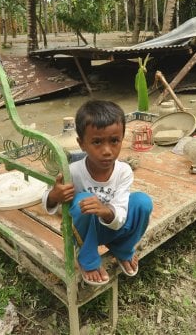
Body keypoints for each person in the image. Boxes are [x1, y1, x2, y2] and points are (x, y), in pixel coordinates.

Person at [42, 100, 153, 286]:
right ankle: (88, 259)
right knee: (82, 201)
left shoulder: (124, 171)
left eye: (114, 141)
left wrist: (105, 210)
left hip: (114, 227)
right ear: (81, 144)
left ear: (122, 139)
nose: (107, 151)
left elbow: (121, 211)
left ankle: (122, 248)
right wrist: (55, 195)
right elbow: (46, 202)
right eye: (97, 142)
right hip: (86, 235)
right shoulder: (73, 171)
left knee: (143, 202)